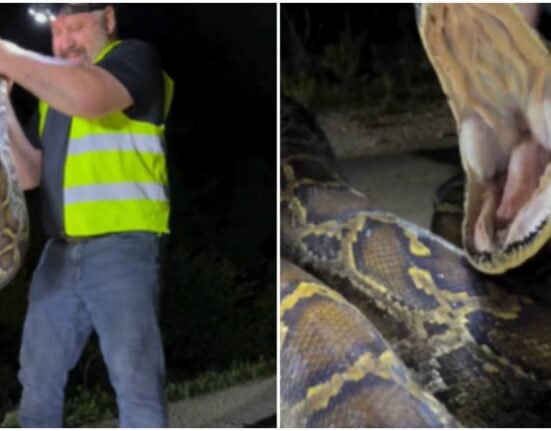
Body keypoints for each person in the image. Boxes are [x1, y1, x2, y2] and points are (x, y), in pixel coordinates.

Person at [0, 3, 173, 427]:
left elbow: (88, 96)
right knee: (38, 378)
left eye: (75, 27)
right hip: (59, 253)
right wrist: (2, 101)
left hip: (124, 247)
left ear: (108, 20)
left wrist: (7, 56)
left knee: (135, 381)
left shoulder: (134, 61)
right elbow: (29, 173)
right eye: (56, 33)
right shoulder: (54, 98)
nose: (64, 42)